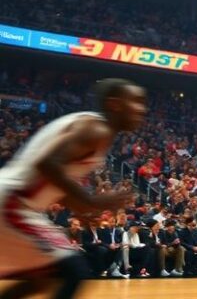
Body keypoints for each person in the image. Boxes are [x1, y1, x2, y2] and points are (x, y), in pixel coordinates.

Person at [0, 78, 146, 298]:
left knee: (40, 280)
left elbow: (51, 177)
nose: (142, 108)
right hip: (12, 202)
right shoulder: (96, 129)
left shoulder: (93, 128)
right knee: (73, 270)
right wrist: (90, 201)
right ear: (114, 104)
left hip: (18, 203)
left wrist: (80, 208)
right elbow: (48, 165)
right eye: (135, 101)